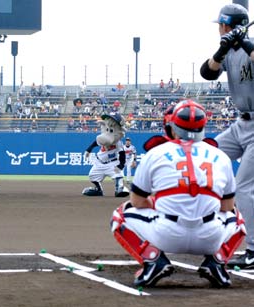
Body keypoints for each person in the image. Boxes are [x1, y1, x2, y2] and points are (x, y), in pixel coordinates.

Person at [111, 100, 245, 288]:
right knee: (237, 217)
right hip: (209, 238)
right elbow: (227, 207)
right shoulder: (220, 156)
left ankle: (153, 261)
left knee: (120, 215)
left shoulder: (156, 153)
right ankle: (217, 263)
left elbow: (137, 201)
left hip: (167, 234)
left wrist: (158, 202)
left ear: (173, 127)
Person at [200, 3, 254, 269]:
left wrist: (244, 41)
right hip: (240, 125)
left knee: (244, 186)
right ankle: (205, 227)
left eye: (221, 25)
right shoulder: (229, 51)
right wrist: (223, 48)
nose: (218, 29)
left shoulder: (249, 46)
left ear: (227, 24)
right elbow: (207, 72)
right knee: (203, 153)